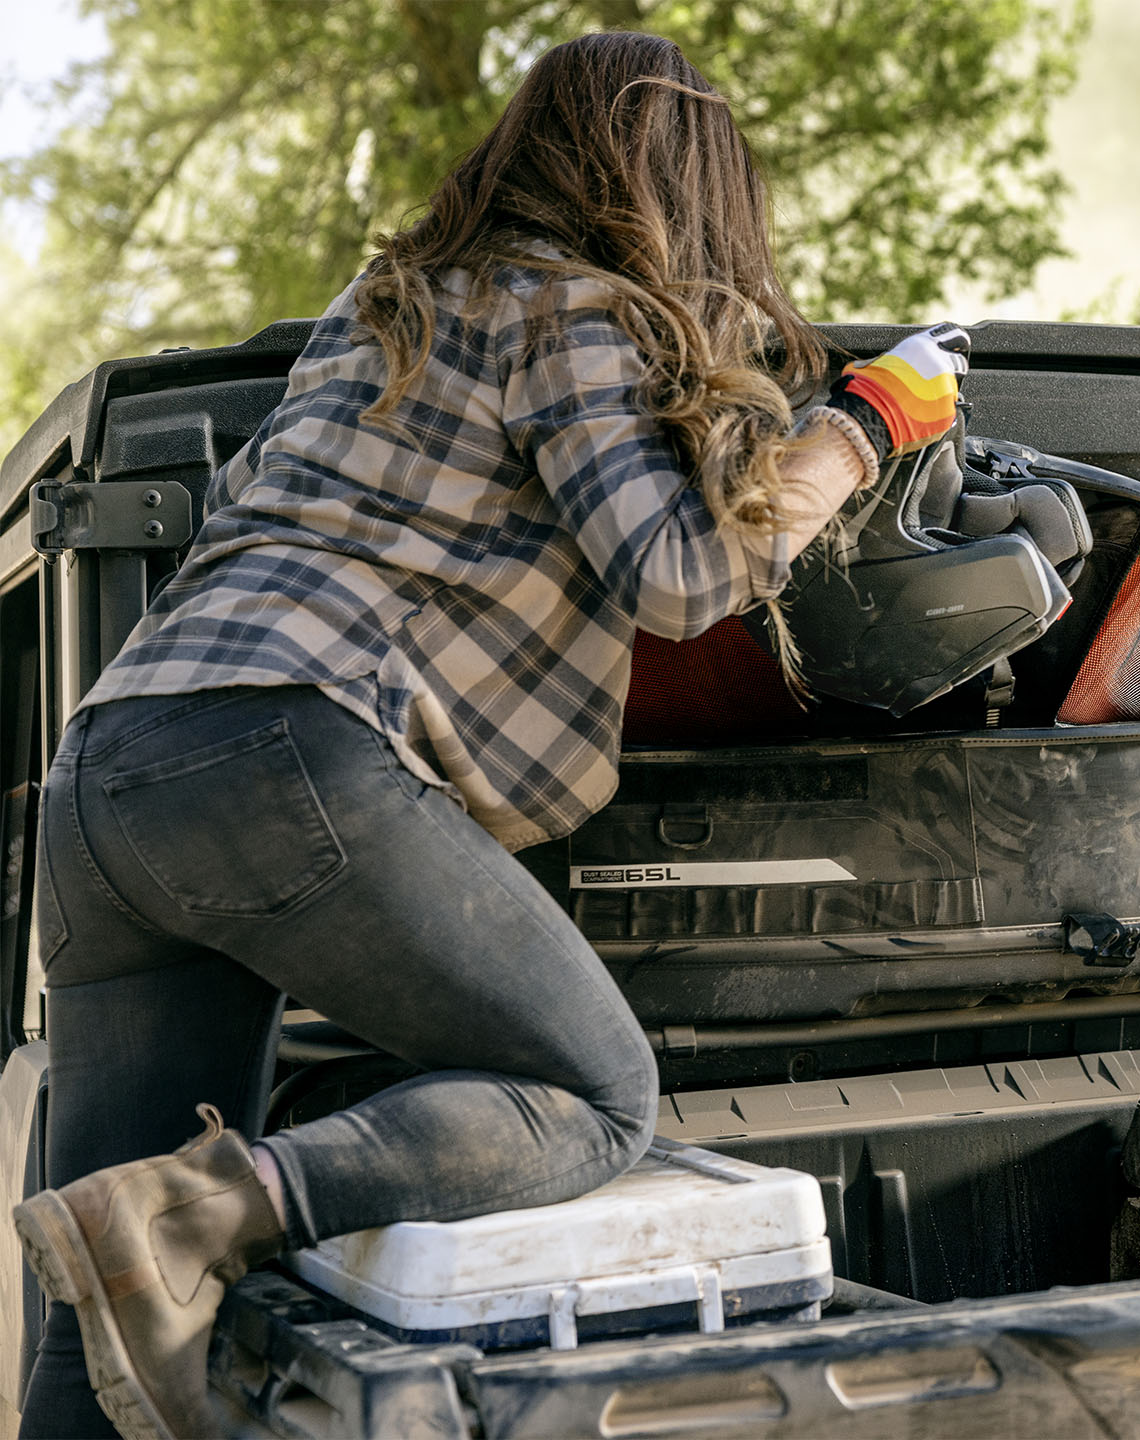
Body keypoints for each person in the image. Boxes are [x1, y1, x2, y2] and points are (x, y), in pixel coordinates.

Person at [13, 32, 968, 1440]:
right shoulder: (568, 306)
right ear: (678, 183)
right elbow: (677, 573)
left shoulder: (384, 305)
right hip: (289, 746)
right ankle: (215, 1203)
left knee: (103, 1311)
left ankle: (173, 1221)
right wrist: (869, 422)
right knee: (594, 1088)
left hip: (111, 771)